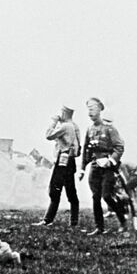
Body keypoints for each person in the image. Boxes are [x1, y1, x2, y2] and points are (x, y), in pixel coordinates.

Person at [80, 97, 126, 235]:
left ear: (100, 110)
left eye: (93, 109)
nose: (90, 113)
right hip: (95, 167)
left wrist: (111, 160)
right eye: (88, 110)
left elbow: (119, 147)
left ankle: (122, 220)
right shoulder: (89, 130)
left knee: (106, 196)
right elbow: (86, 151)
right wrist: (82, 168)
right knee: (95, 198)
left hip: (108, 169)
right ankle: (99, 227)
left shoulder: (109, 128)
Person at [33, 105, 80, 227]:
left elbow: (48, 135)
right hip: (70, 162)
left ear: (64, 113)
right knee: (71, 192)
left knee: (54, 191)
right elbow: (78, 149)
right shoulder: (75, 126)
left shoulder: (65, 126)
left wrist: (53, 121)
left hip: (62, 161)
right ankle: (74, 222)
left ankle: (48, 220)